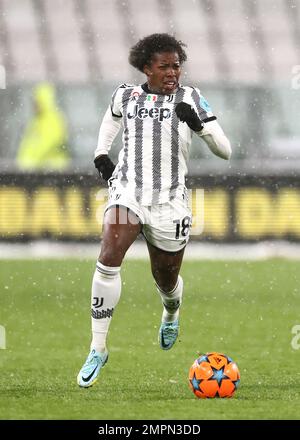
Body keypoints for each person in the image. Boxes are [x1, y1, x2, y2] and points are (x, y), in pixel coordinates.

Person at [77, 33, 231, 387]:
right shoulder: (126, 94)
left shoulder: (191, 98)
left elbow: (226, 150)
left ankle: (171, 311)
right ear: (146, 68)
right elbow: (111, 118)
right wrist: (101, 153)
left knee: (166, 279)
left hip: (170, 203)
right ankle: (98, 346)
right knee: (109, 254)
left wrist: (198, 126)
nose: (173, 72)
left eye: (177, 65)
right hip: (128, 193)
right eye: (164, 66)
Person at [17, 82, 69, 171]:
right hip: (38, 170)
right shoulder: (35, 120)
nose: (34, 105)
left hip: (53, 170)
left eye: (36, 101)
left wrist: (30, 161)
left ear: (43, 101)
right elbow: (27, 144)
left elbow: (50, 142)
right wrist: (23, 161)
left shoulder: (54, 119)